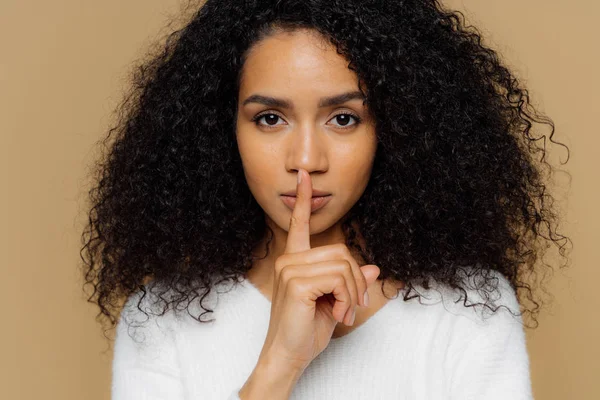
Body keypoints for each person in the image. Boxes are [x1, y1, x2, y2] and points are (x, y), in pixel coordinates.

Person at [80, 0, 571, 399]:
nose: (306, 159)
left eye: (343, 118)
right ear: (219, 130)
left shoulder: (469, 311)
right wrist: (277, 366)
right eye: (270, 118)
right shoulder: (161, 322)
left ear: (396, 129)